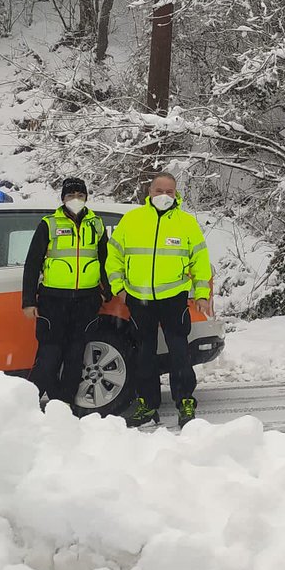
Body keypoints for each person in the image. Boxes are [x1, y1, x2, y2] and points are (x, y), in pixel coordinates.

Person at [106, 171, 212, 428]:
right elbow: (114, 255)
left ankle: (185, 400)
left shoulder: (186, 223)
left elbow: (200, 260)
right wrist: (118, 286)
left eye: (169, 192)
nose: (164, 196)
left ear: (176, 194)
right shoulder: (132, 220)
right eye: (159, 191)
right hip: (139, 300)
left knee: (179, 352)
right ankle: (147, 404)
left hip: (173, 299)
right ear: (149, 193)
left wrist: (201, 294)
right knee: (145, 354)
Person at [21, 177, 108, 407]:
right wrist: (28, 301)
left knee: (74, 357)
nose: (76, 200)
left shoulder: (96, 224)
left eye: (80, 195)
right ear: (62, 198)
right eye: (71, 195)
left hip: (86, 301)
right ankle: (27, 405)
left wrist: (106, 293)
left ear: (87, 197)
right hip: (53, 301)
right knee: (49, 357)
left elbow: (106, 261)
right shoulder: (48, 224)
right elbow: (32, 263)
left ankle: (64, 406)